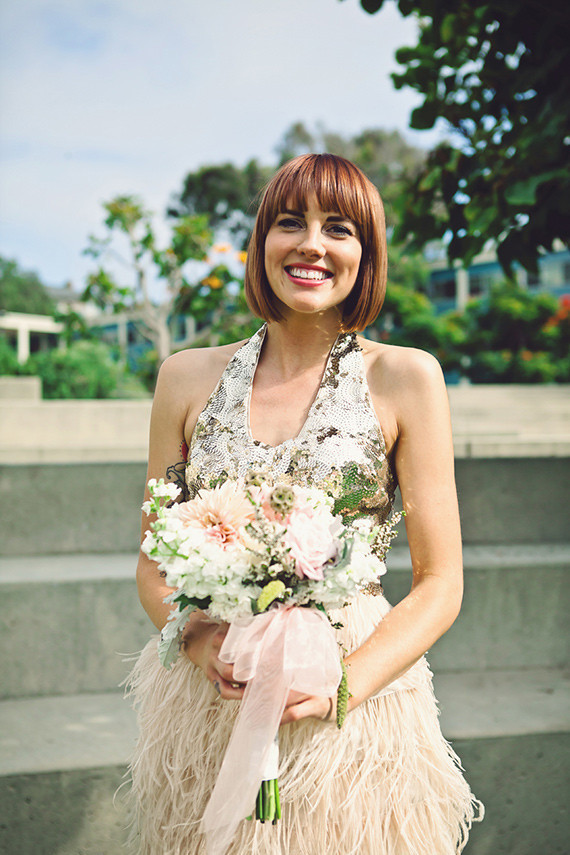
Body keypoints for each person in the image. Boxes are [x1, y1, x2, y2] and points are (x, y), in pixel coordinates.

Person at [126, 153, 483, 854]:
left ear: (366, 252)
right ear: (261, 242)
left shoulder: (407, 376)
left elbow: (441, 582)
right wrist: (200, 644)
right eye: (290, 223)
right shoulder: (185, 377)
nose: (312, 244)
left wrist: (343, 685)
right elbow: (152, 562)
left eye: (339, 228)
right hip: (212, 695)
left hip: (353, 701)